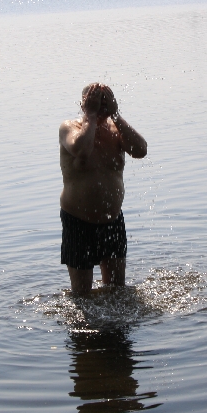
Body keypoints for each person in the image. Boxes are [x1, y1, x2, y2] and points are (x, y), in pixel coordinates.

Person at [59, 83, 148, 296]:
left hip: (112, 220)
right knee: (82, 296)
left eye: (104, 103)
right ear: (83, 105)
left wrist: (116, 115)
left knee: (117, 293)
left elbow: (141, 150)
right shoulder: (69, 128)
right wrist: (90, 115)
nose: (100, 108)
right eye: (95, 103)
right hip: (78, 221)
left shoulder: (117, 130)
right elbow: (82, 150)